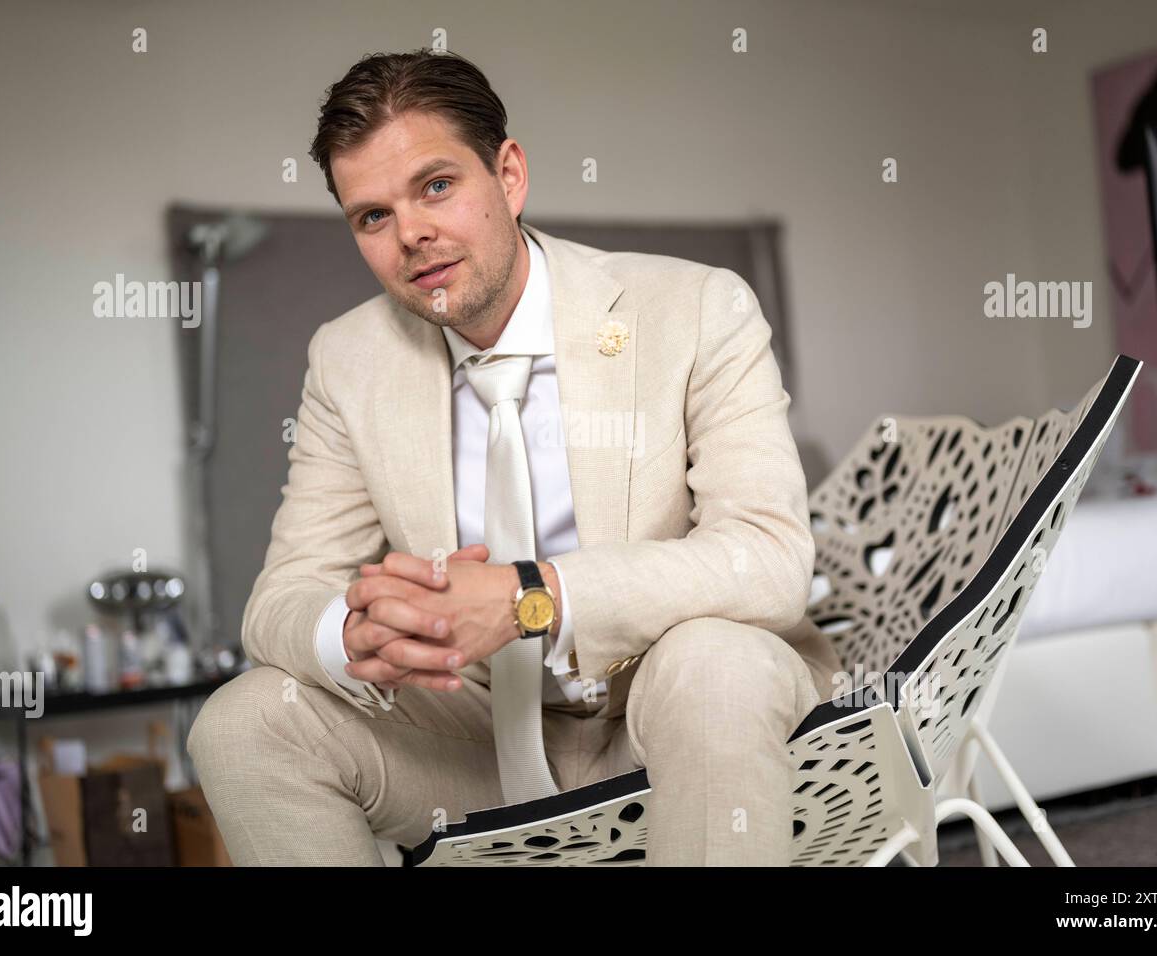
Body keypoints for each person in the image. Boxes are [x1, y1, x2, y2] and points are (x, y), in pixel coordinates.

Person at [187, 47, 843, 867]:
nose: (413, 235)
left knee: (714, 661)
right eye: (372, 216)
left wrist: (529, 598)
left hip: (670, 713)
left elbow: (770, 559)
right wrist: (354, 632)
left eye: (436, 186)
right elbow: (279, 599)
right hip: (477, 744)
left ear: (509, 174)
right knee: (244, 720)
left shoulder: (697, 308)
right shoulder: (347, 360)